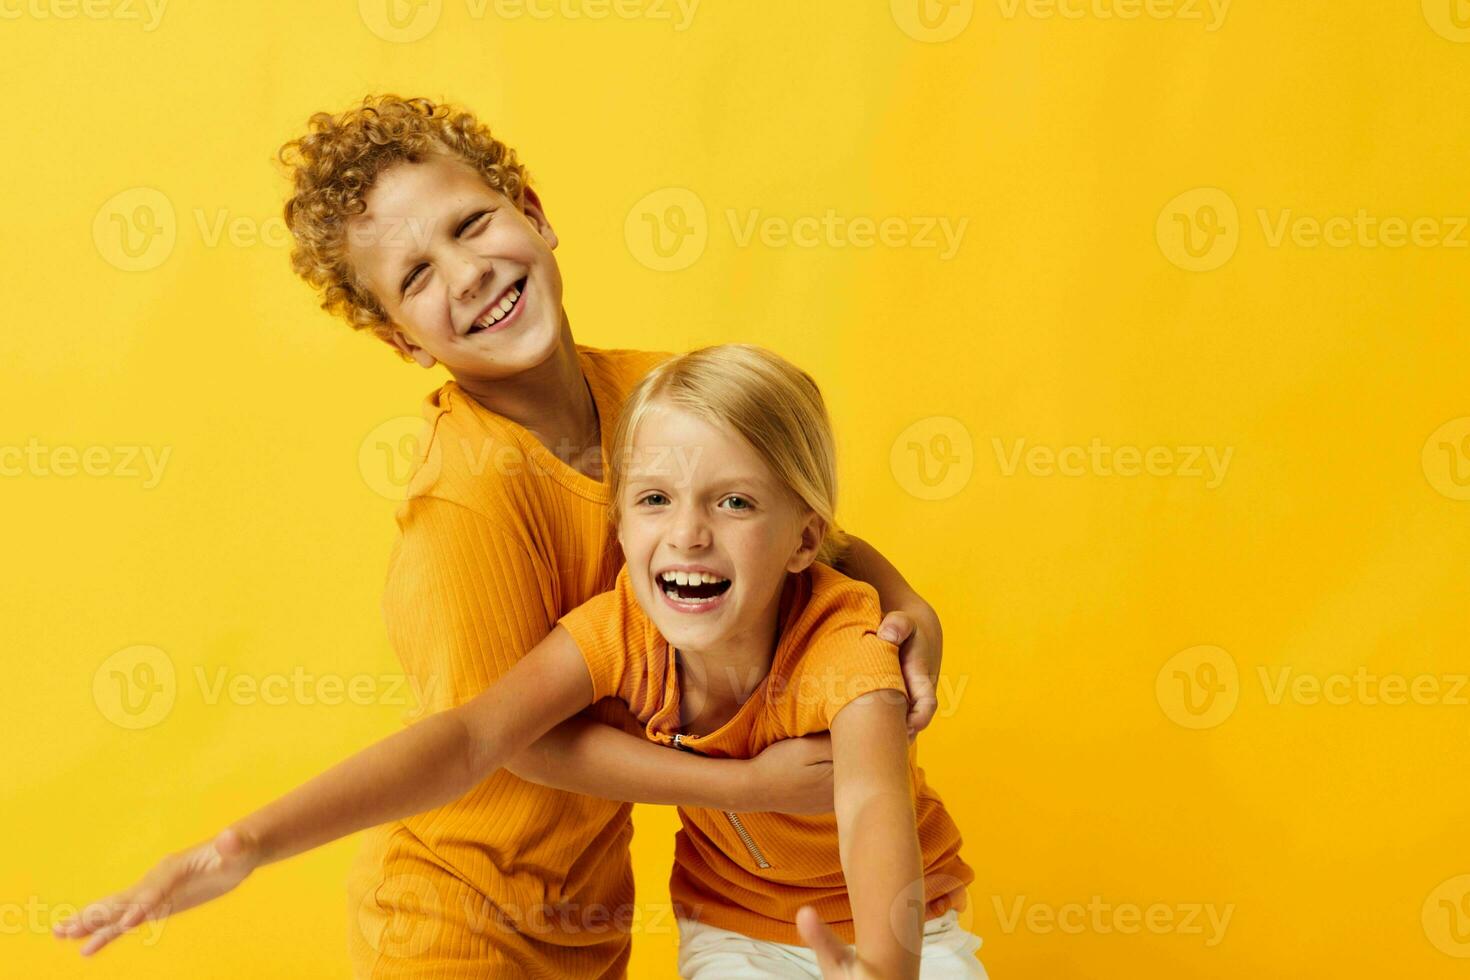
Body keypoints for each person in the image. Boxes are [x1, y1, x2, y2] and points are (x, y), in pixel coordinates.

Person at [55, 96, 951, 978]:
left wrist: (906, 606)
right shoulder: (467, 502)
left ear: (535, 214)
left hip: (584, 917)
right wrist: (244, 844)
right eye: (414, 276)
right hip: (455, 919)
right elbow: (492, 739)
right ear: (400, 341)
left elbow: (798, 528)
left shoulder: (660, 396)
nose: (466, 273)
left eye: (472, 224)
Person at [54, 344, 985, 979]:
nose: (689, 535)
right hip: (731, 928)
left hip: (902, 926)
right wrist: (244, 845)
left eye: (735, 504)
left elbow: (870, 804)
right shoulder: (618, 626)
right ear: (619, 525)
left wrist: (888, 967)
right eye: (655, 500)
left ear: (802, 539)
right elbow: (466, 738)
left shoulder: (847, 647)